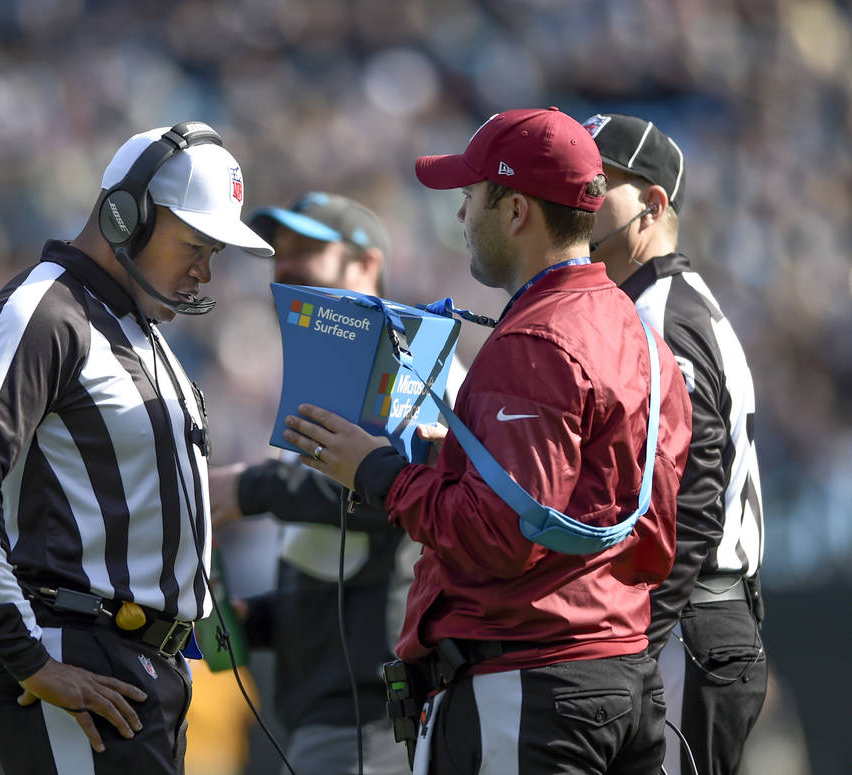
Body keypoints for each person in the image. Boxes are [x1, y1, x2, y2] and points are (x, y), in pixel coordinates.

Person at [281, 107, 694, 774]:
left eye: (471, 196)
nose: (460, 216)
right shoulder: (640, 330)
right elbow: (645, 533)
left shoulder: (537, 337)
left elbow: (500, 534)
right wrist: (460, 459)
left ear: (516, 211)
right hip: (621, 674)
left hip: (529, 684)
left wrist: (377, 470)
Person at [0, 121, 273, 775]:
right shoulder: (47, 309)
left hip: (138, 665)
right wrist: (30, 657)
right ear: (124, 215)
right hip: (81, 651)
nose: (204, 268)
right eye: (195, 242)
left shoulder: (138, 325)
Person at [209, 192, 456, 775]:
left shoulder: (416, 360)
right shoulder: (325, 378)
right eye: (279, 254)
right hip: (323, 710)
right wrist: (262, 619)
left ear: (365, 266)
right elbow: (342, 553)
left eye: (308, 250)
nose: (286, 267)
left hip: (376, 713)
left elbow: (396, 494)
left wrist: (249, 489)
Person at [583, 112, 767, 775]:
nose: (580, 195)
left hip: (688, 621)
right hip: (697, 619)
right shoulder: (671, 300)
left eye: (599, 182)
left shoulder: (658, 308)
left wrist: (642, 637)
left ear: (653, 204)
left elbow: (693, 486)